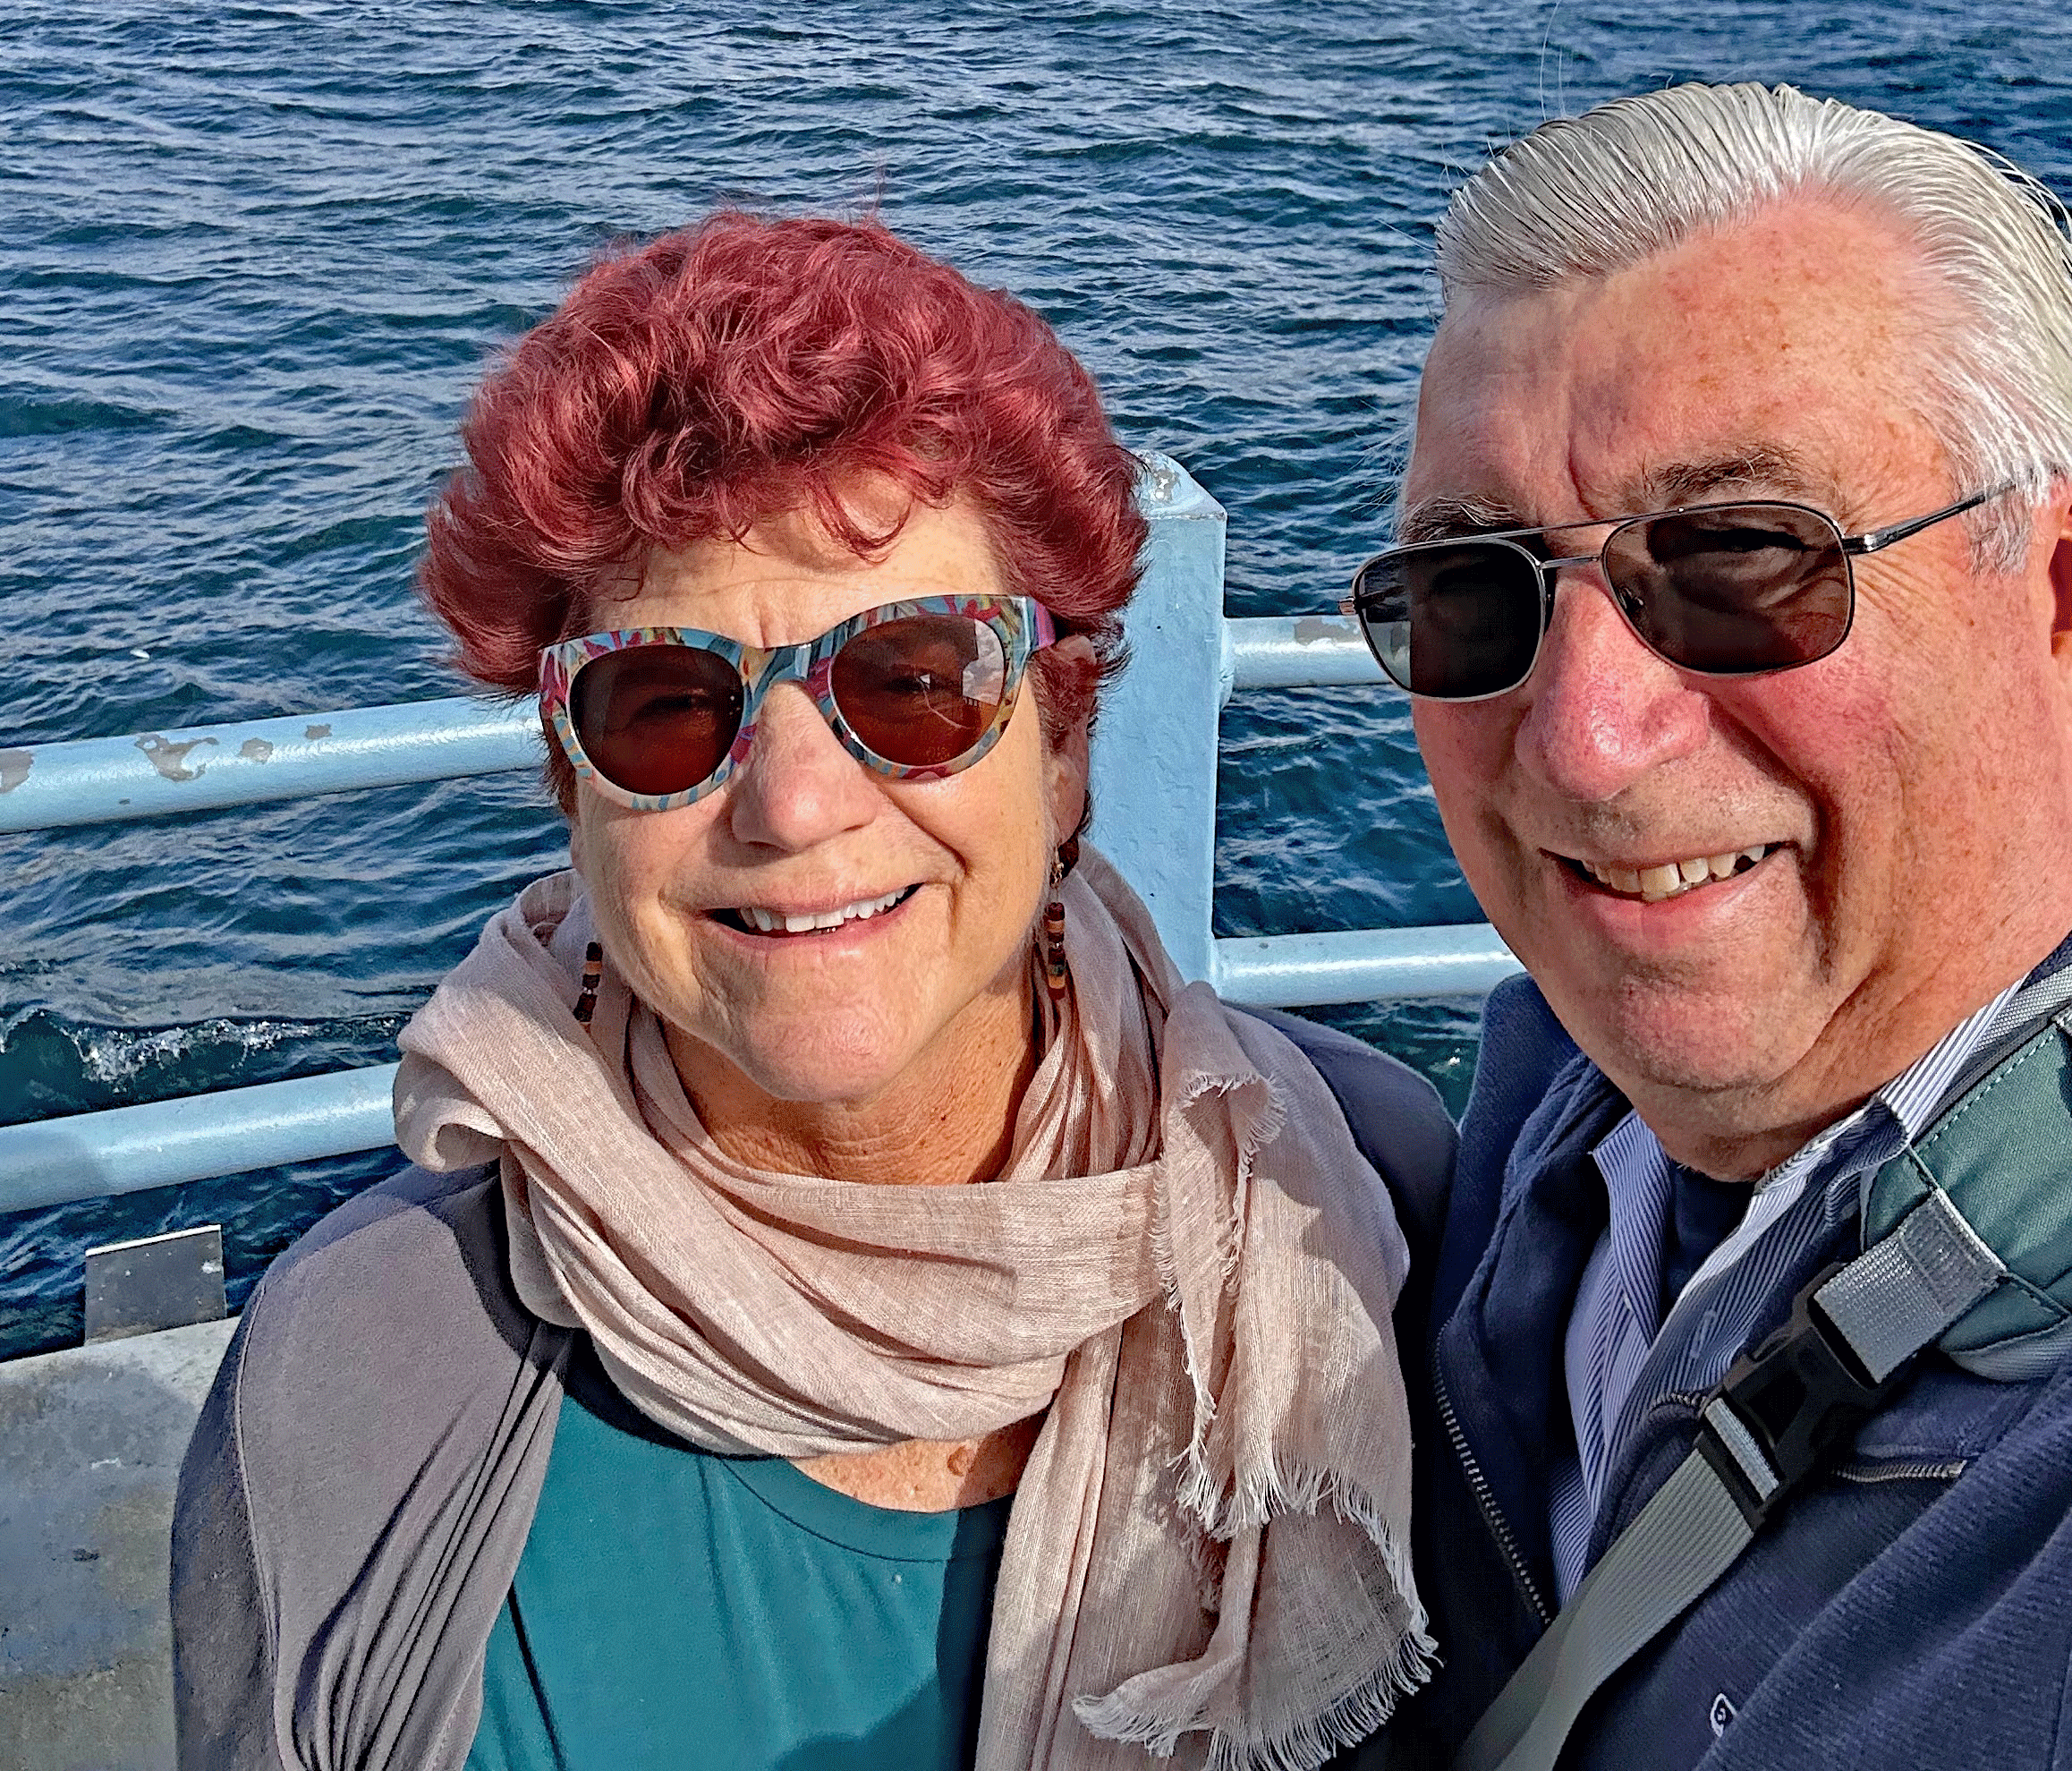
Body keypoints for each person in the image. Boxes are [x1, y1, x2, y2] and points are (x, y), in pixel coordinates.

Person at [173, 211, 1440, 1771]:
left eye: (913, 679)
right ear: (572, 791)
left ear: (1063, 743)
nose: (792, 806)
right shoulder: (362, 1378)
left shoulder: (1371, 1204)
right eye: (664, 703)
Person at [1348, 82, 2072, 1770]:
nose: (1587, 741)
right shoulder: (1558, 1099)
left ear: (2050, 601)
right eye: (1475, 592)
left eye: (1746, 559)